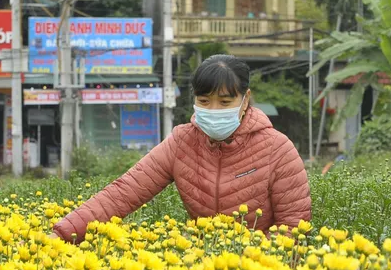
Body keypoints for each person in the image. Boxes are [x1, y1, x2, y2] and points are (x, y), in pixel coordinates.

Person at [53, 54, 311, 243]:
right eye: (204, 101)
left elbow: (294, 226)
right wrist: (60, 234)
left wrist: (251, 259)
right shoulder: (182, 142)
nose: (213, 110)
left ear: (245, 100)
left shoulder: (277, 149)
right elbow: (123, 193)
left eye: (225, 101)